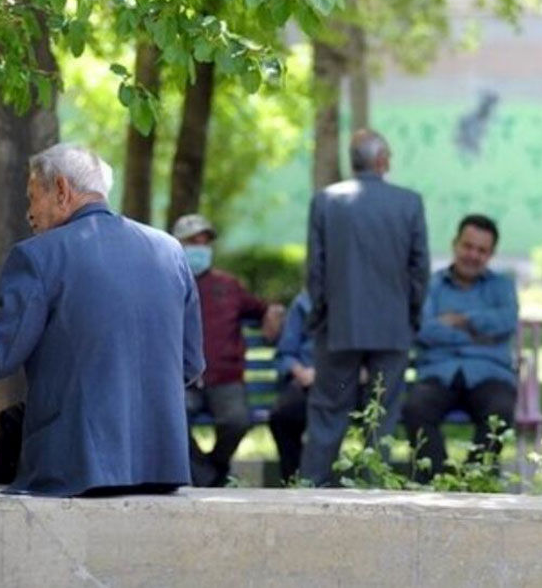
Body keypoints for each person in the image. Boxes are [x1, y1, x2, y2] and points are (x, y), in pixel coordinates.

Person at [0, 143, 204, 497]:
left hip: (76, 470)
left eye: (32, 198)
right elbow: (191, 364)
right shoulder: (170, 251)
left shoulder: (39, 256)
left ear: (61, 189)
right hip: (162, 469)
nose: (29, 214)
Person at [299, 129, 430, 486]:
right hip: (392, 329)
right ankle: (374, 491)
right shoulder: (409, 203)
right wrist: (411, 315)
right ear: (382, 160)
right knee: (382, 417)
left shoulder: (326, 201)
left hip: (339, 328)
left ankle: (312, 489)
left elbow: (316, 270)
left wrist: (320, 315)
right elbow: (419, 269)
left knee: (328, 412)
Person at [402, 215, 519, 482]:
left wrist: (461, 319)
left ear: (491, 254)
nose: (473, 255)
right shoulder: (430, 285)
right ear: (455, 244)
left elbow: (506, 322)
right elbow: (423, 329)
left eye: (482, 250)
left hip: (489, 373)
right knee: (415, 409)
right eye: (468, 246)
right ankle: (439, 483)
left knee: (500, 412)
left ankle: (474, 482)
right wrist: (479, 335)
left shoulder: (502, 285)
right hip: (438, 372)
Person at [172, 214, 284, 487]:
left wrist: (273, 313)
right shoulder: (166, 281)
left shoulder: (228, 285)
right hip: (180, 379)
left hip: (225, 379)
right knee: (171, 419)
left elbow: (261, 308)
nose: (200, 248)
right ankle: (208, 476)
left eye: (205, 242)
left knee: (237, 420)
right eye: (192, 242)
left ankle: (211, 471)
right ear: (177, 244)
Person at [269, 290, 315, 483]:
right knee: (282, 416)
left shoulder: (360, 299)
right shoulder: (303, 302)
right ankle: (293, 481)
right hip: (306, 380)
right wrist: (300, 372)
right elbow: (286, 353)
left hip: (344, 383)